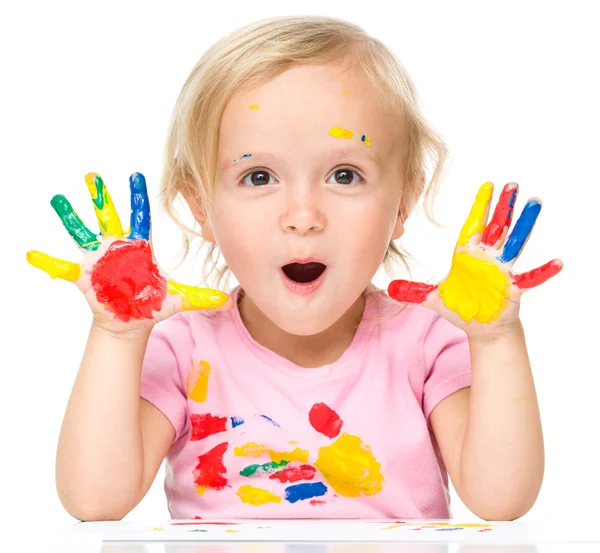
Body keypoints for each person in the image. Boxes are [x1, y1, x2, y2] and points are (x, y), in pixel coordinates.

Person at [27, 15, 562, 522]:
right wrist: (116, 338)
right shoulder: (183, 348)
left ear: (402, 204)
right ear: (200, 207)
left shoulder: (427, 342)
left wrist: (495, 342)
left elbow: (501, 500)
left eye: (345, 175)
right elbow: (94, 501)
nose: (303, 216)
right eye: (259, 177)